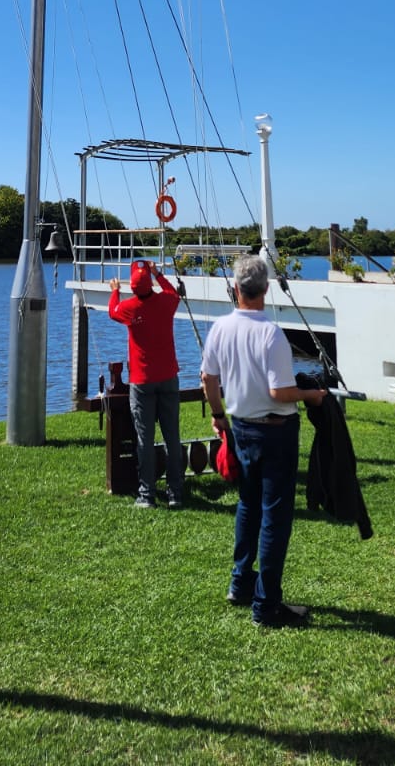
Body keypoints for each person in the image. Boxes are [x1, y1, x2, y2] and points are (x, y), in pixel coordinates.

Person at [199, 251, 328, 628]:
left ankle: (241, 583)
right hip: (275, 431)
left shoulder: (220, 328)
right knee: (275, 514)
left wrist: (218, 415)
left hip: (241, 427)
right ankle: (266, 604)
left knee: (248, 504)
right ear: (266, 289)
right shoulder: (271, 334)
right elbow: (280, 392)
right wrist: (311, 395)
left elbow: (208, 378)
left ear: (235, 288)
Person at [108, 258, 185, 508]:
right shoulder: (166, 302)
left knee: (145, 439)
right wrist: (158, 274)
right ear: (150, 283)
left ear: (132, 287)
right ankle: (175, 494)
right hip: (168, 377)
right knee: (172, 437)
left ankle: (147, 494)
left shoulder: (129, 308)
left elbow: (113, 311)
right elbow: (173, 293)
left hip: (142, 381)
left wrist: (115, 291)